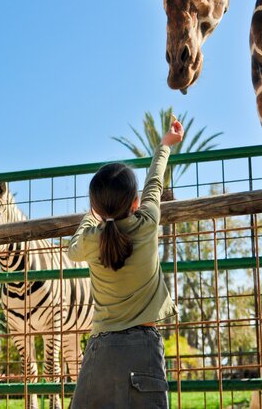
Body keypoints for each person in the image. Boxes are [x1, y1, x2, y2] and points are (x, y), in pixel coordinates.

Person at [68, 118, 184, 409]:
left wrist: (90, 217)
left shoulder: (90, 240)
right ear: (135, 202)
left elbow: (73, 248)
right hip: (144, 348)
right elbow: (155, 182)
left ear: (95, 206)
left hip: (102, 348)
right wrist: (164, 145)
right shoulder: (146, 224)